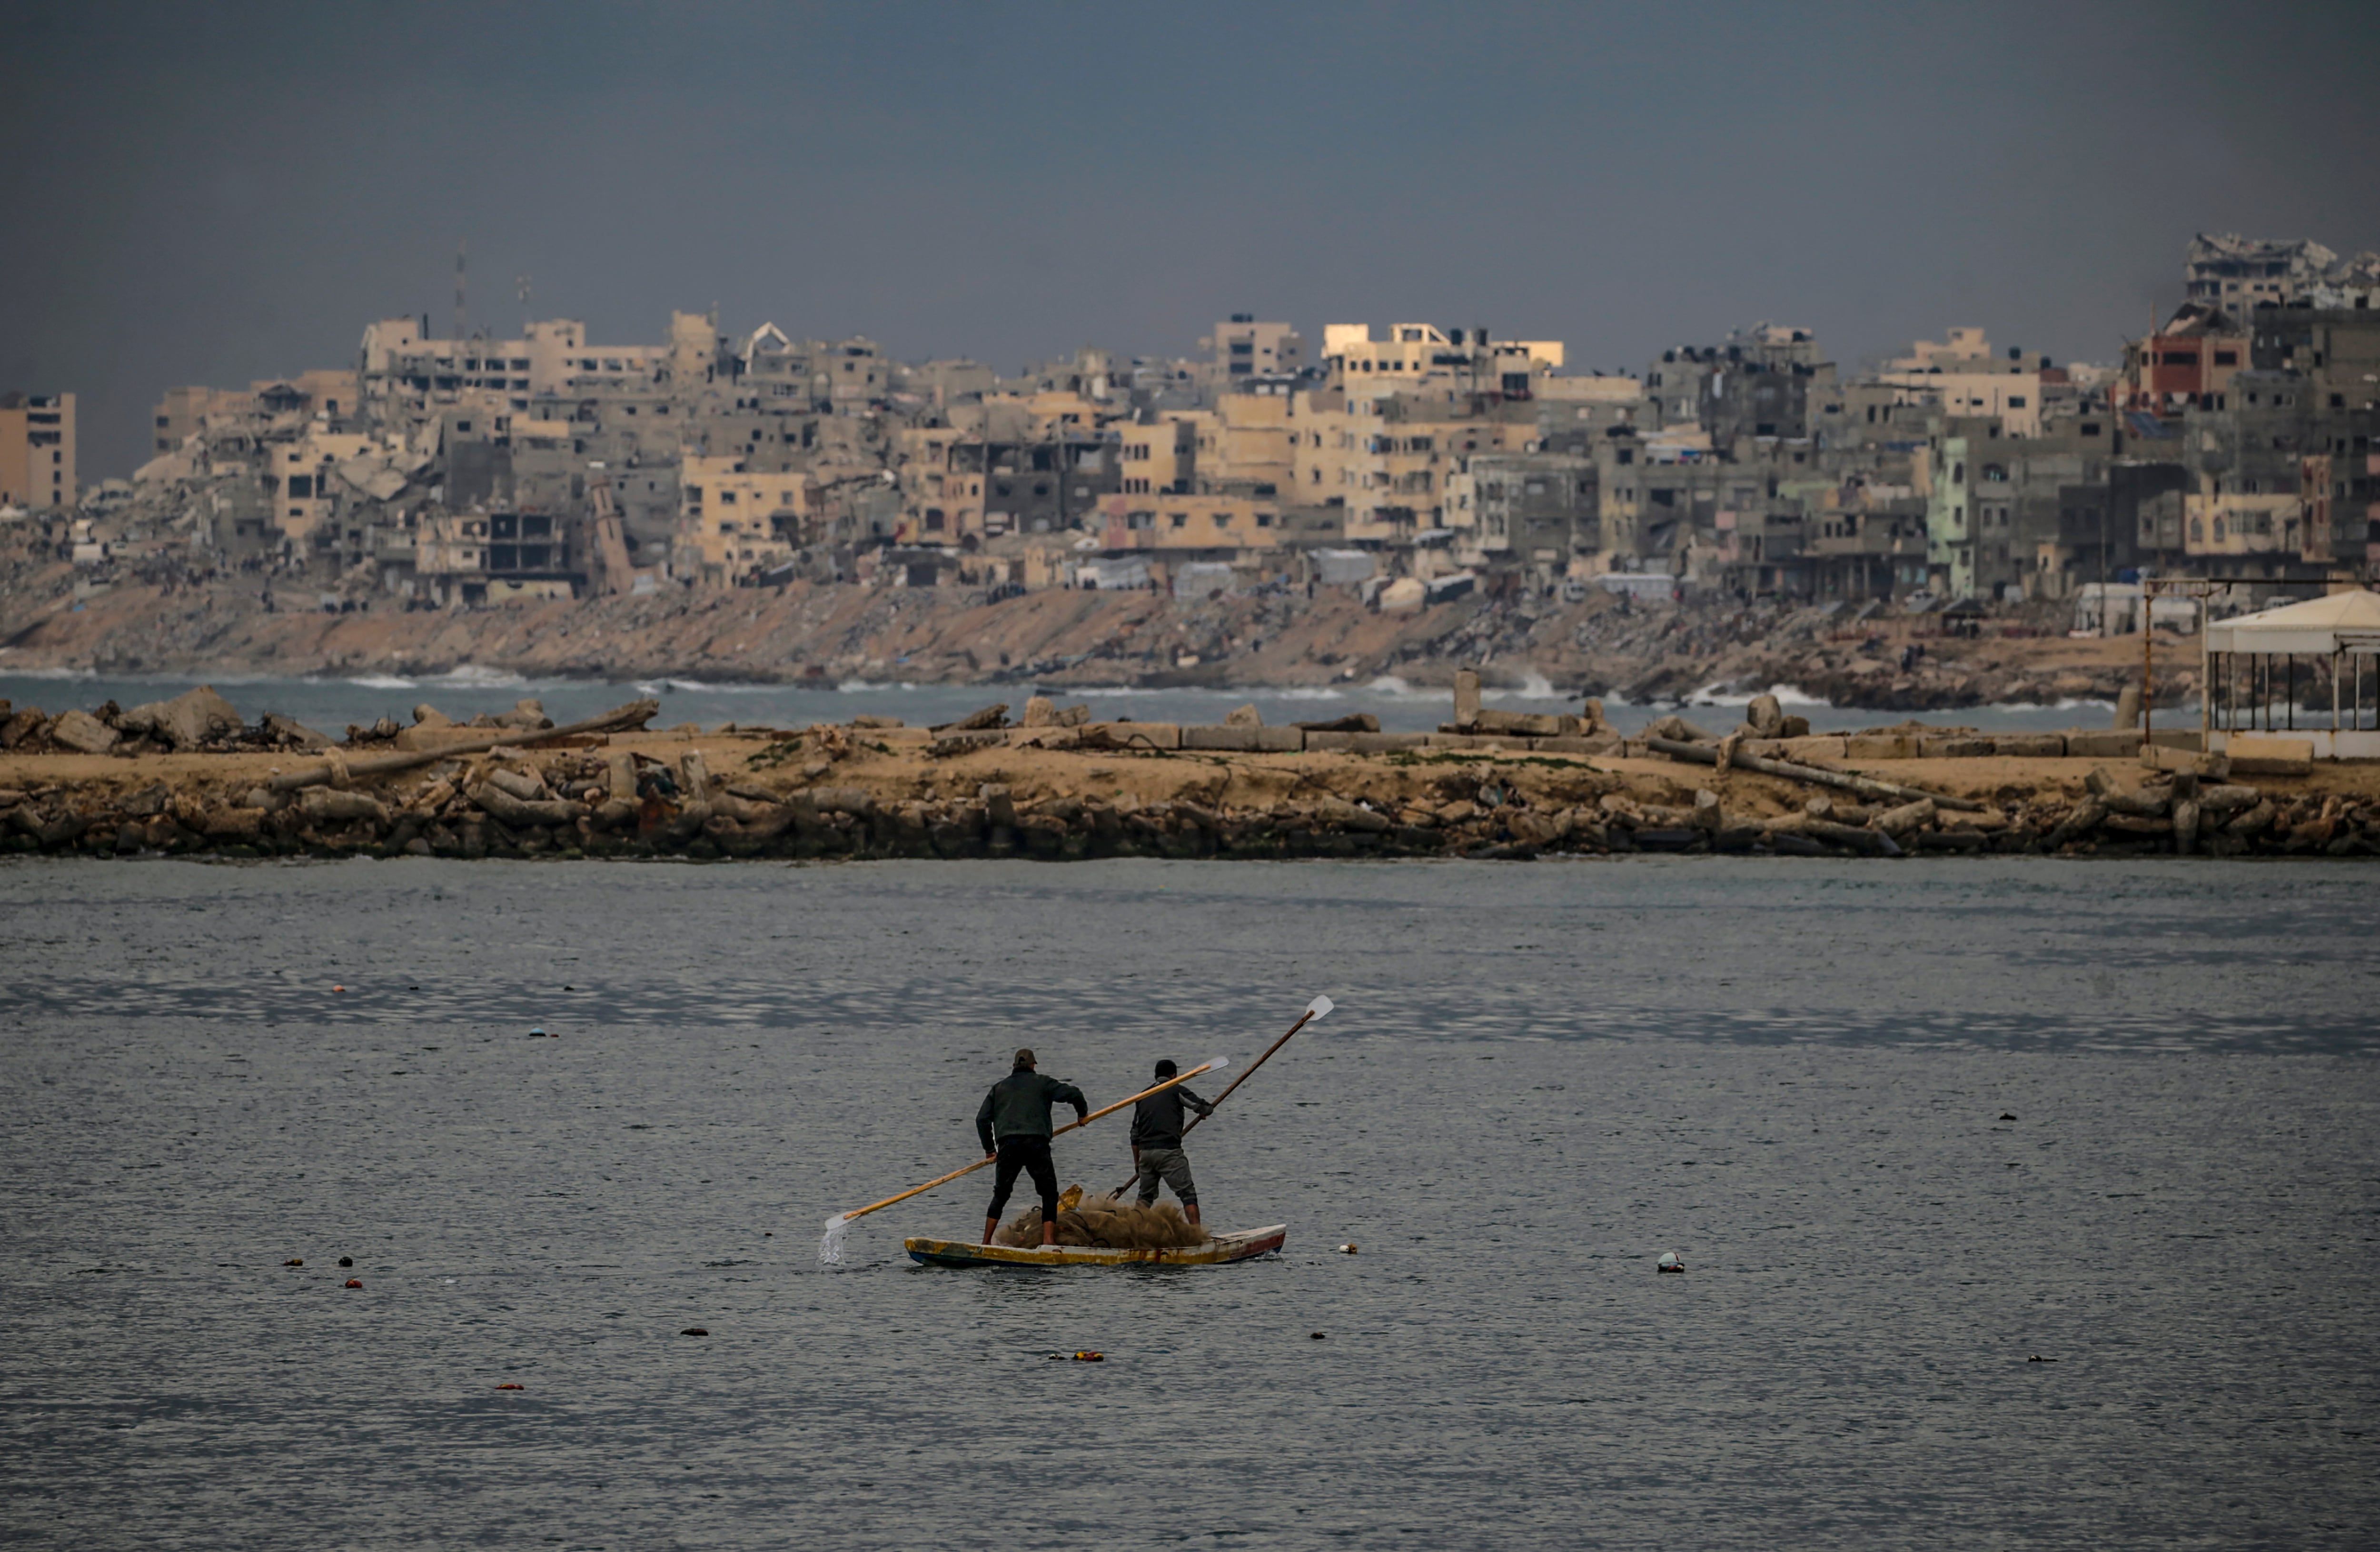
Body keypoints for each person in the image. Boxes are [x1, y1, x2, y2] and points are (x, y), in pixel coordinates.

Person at [978, 1048, 1088, 1247]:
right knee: (1049, 1193)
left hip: (1008, 1145)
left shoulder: (999, 1088)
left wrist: (989, 1150)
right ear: (1033, 1065)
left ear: (1014, 1067)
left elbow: (982, 1120)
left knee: (1001, 1195)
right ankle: (1048, 1241)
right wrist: (1082, 1115)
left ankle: (985, 1243)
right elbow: (1075, 1094)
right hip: (1036, 1144)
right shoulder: (1044, 1083)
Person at [1130, 1059, 1215, 1225]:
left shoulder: (1142, 1096)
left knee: (1145, 1198)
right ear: (1174, 1075)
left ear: (1156, 1076)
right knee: (1187, 1194)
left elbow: (1134, 1135)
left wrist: (1138, 1164)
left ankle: (1132, 1233)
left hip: (1146, 1155)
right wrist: (1205, 1110)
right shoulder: (1176, 1090)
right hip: (1169, 1152)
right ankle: (1197, 1237)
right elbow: (1204, 1108)